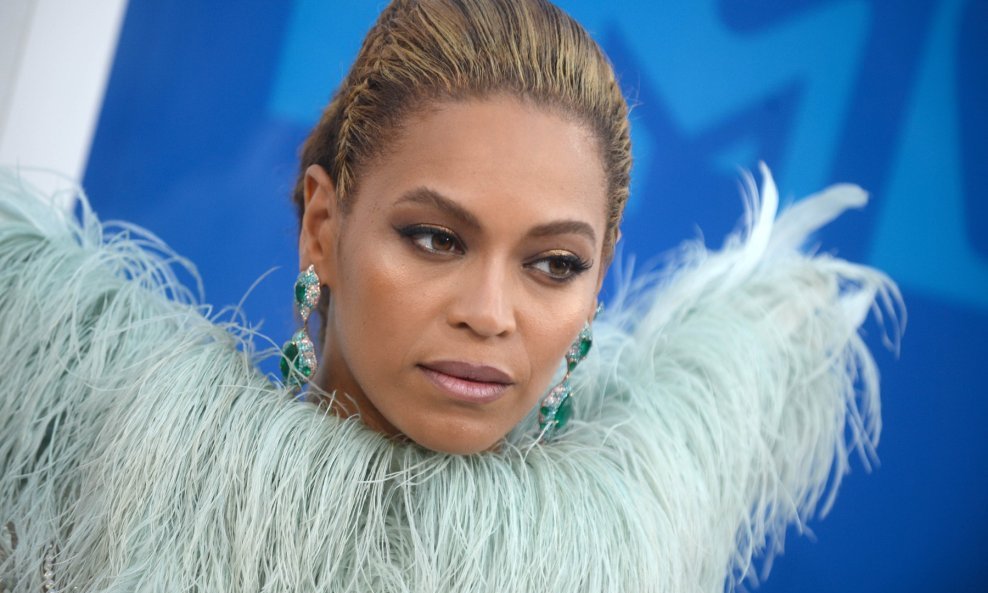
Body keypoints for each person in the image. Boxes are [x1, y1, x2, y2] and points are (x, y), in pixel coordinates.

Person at [0, 0, 901, 591]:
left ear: (599, 280)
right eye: (436, 238)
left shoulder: (631, 548)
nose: (490, 312)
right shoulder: (100, 496)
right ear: (324, 225)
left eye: (554, 263)